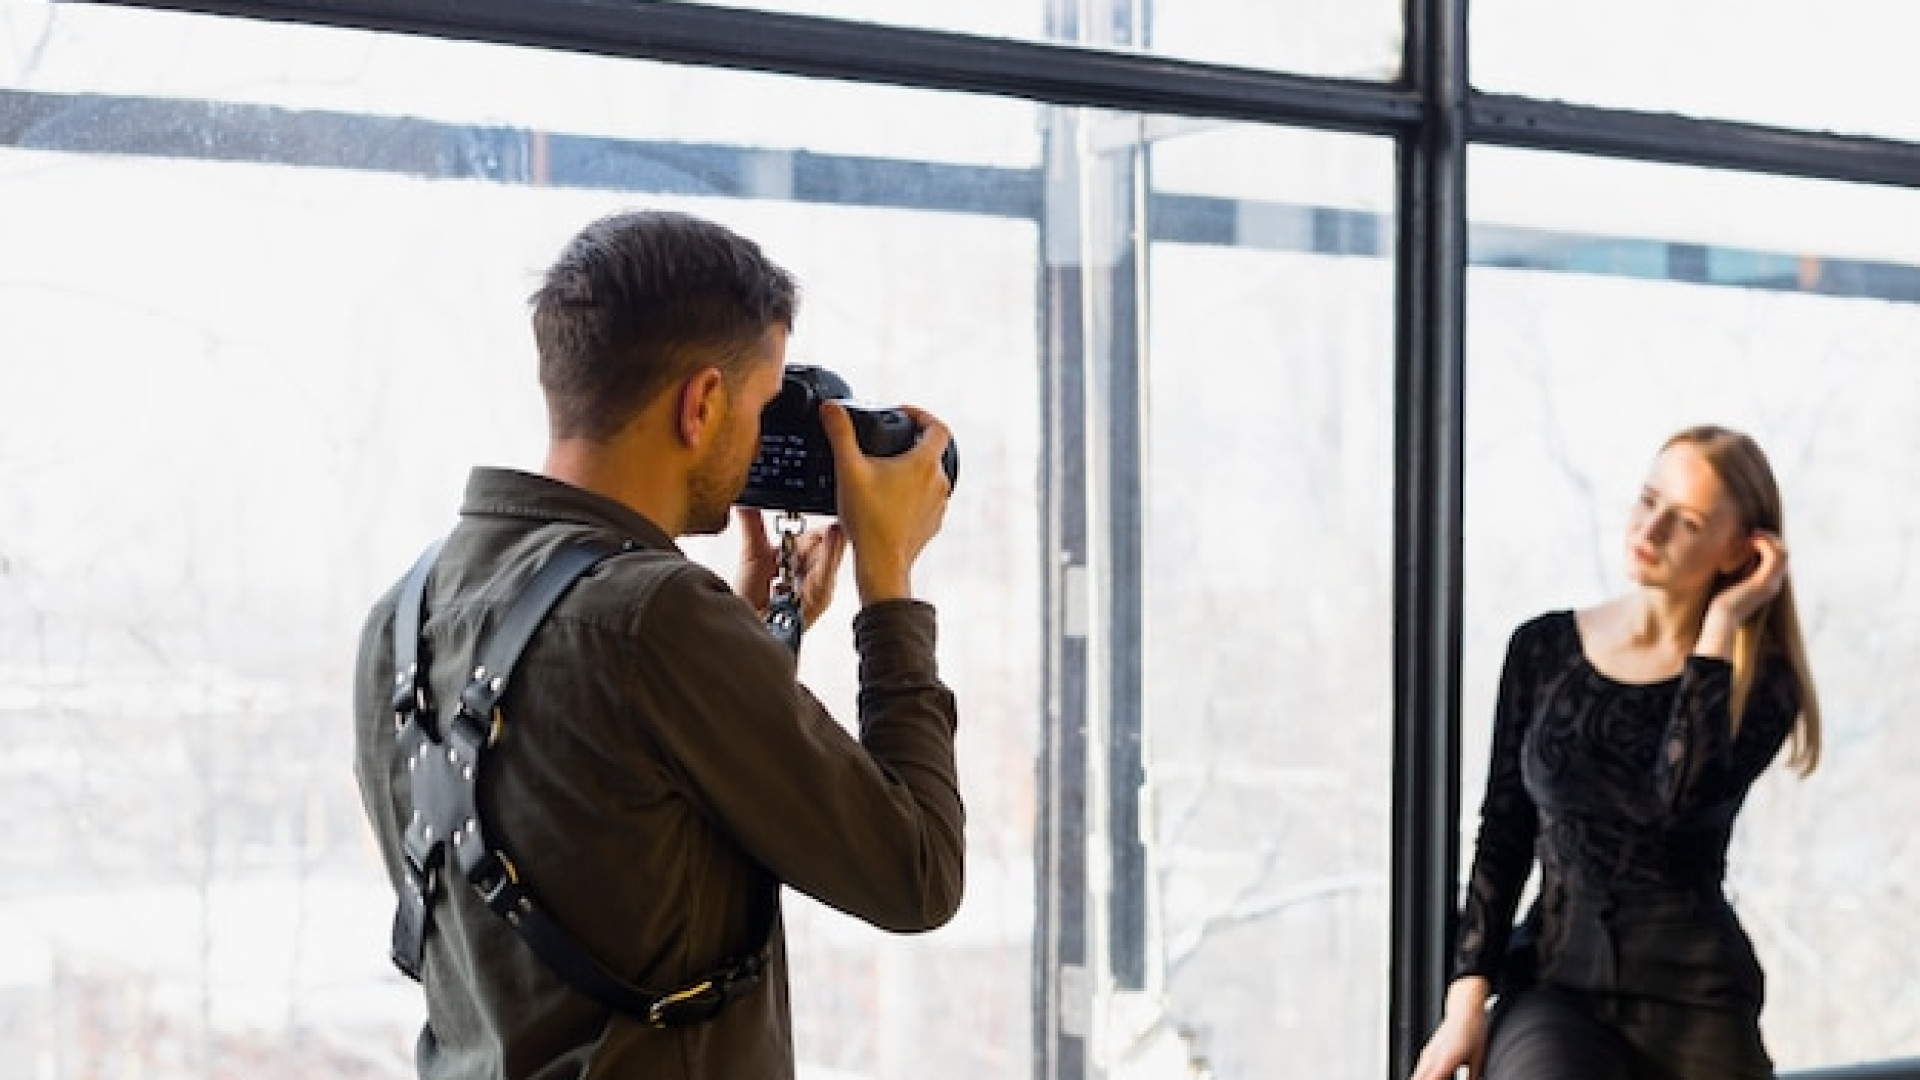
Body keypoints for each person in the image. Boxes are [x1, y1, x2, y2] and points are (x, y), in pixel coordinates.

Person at [351, 209, 964, 1079]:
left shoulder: (404, 615)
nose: (764, 437)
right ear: (702, 402)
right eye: (764, 404)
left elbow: (609, 835)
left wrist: (756, 638)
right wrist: (889, 586)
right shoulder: (660, 619)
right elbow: (918, 876)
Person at [1412, 425, 1822, 1080]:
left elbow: (1679, 801)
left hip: (1697, 998)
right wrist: (1464, 1005)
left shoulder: (1762, 686)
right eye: (1647, 499)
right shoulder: (1543, 649)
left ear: (1739, 554)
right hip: (1554, 986)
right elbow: (1504, 835)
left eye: (1685, 522)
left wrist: (1718, 631)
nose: (1650, 529)